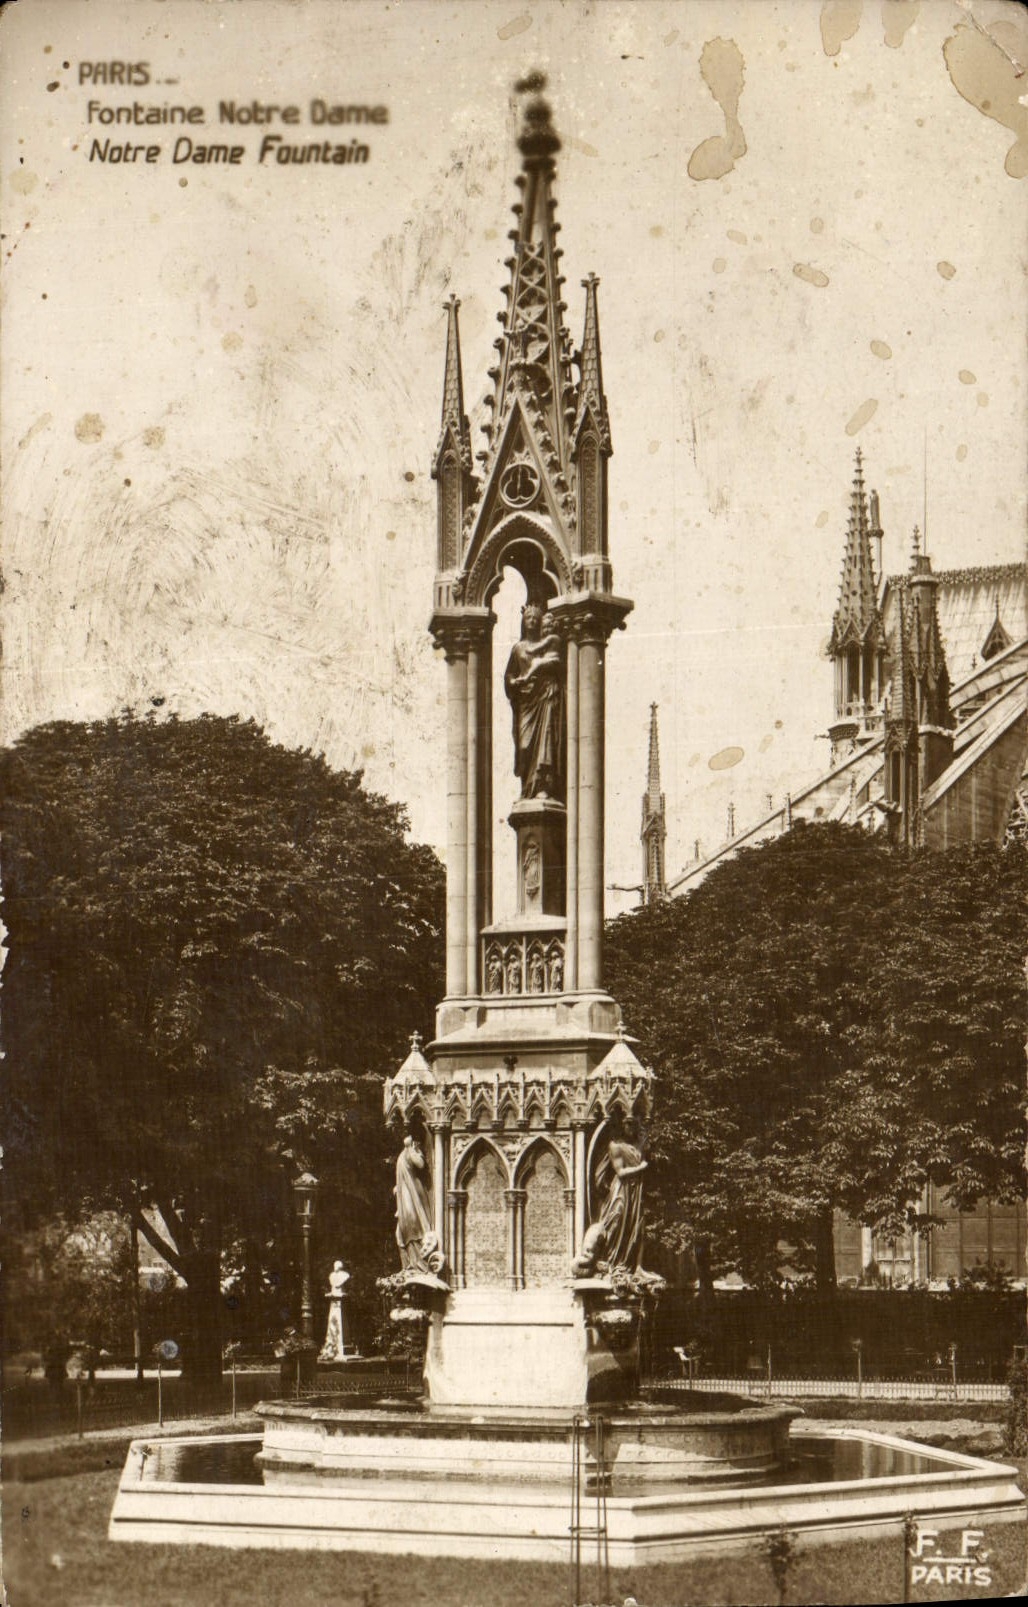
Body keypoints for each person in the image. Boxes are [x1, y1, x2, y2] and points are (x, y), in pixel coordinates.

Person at [504, 603, 566, 800]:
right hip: (525, 701)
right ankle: (526, 787)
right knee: (524, 746)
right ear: (523, 622)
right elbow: (509, 674)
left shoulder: (547, 643)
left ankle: (542, 786)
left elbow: (556, 664)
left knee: (545, 742)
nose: (531, 621)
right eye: (528, 618)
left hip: (544, 696)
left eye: (535, 619)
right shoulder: (518, 648)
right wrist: (513, 682)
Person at [394, 1136, 446, 1277]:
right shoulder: (402, 1154)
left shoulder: (412, 1149)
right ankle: (410, 1265)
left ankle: (420, 1266)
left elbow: (420, 1164)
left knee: (414, 1225)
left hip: (414, 1195)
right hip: (405, 1195)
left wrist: (410, 1148)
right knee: (404, 1230)